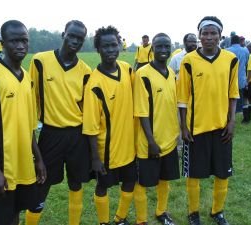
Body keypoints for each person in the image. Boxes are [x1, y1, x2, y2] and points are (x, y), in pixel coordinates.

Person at [0, 20, 46, 225]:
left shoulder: (27, 78)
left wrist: (38, 159)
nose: (20, 46)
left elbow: (30, 125)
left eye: (24, 40)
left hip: (22, 167)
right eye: (14, 41)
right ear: (2, 43)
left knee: (15, 215)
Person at [25, 20, 92, 225]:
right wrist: (30, 131)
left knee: (76, 182)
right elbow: (31, 96)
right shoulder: (40, 61)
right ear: (63, 34)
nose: (75, 41)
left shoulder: (85, 70)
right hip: (51, 133)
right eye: (71, 35)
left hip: (77, 135)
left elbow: (84, 105)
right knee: (42, 182)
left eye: (79, 39)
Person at [177, 16, 239, 225]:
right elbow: (182, 98)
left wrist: (231, 122)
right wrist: (183, 126)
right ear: (199, 35)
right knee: (193, 174)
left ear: (220, 36)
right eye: (205, 33)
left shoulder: (231, 59)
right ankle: (193, 213)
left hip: (221, 127)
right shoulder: (188, 61)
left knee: (223, 173)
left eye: (213, 33)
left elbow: (233, 93)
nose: (209, 37)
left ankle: (217, 211)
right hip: (196, 129)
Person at [82, 25, 136, 225]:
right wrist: (95, 158)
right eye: (105, 46)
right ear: (98, 49)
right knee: (102, 186)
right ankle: (103, 222)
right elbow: (90, 126)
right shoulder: (94, 85)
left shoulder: (127, 69)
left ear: (119, 45)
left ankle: (120, 218)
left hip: (129, 146)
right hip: (107, 150)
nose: (111, 49)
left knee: (130, 182)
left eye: (114, 45)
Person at [133, 33, 180, 225]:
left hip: (169, 139)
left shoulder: (171, 73)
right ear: (152, 49)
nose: (163, 50)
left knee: (164, 179)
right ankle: (141, 219)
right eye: (159, 46)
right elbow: (142, 112)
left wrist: (176, 133)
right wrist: (151, 141)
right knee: (142, 182)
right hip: (149, 142)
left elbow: (172, 106)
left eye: (166, 46)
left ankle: (161, 212)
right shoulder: (142, 74)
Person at [227, 35, 249, 113]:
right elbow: (246, 64)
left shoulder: (226, 51)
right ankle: (239, 111)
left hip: (229, 79)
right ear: (239, 41)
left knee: (229, 98)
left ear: (231, 41)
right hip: (241, 78)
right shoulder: (245, 51)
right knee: (239, 96)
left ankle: (231, 113)